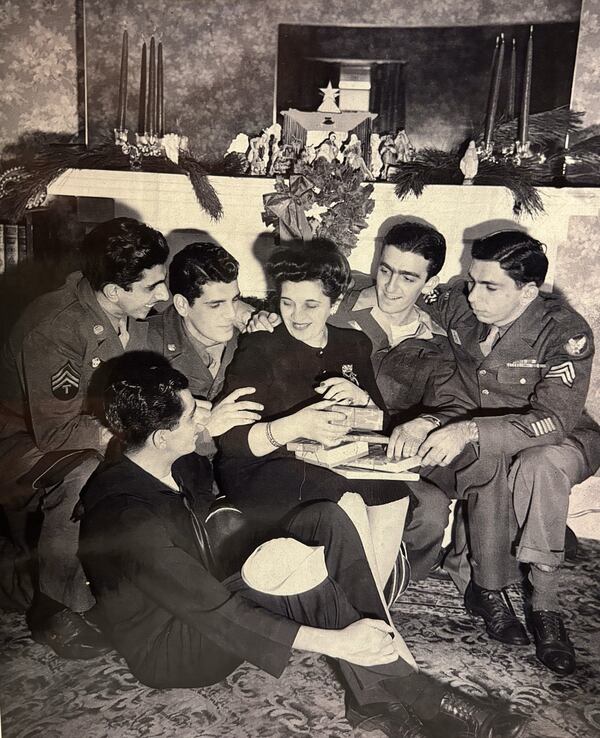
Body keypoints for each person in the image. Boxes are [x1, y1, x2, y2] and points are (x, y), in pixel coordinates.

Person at [77, 358, 526, 738]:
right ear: (160, 436)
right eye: (194, 413)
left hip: (204, 595)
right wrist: (336, 640)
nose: (207, 415)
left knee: (323, 516)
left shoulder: (162, 459)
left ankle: (373, 693)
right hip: (178, 647)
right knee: (294, 567)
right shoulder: (128, 519)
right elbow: (215, 611)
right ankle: (422, 694)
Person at [393, 230, 600, 676]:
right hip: (486, 439)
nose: (474, 296)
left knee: (536, 466)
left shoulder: (565, 332)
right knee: (489, 459)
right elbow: (391, 286)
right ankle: (488, 590)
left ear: (527, 291)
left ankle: (545, 607)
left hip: (558, 439)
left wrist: (468, 429)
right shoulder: (459, 305)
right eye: (471, 281)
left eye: (490, 287)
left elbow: (552, 421)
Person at [247, 221, 458, 583]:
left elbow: (448, 404)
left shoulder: (436, 340)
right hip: (301, 445)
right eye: (385, 269)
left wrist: (427, 422)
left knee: (433, 511)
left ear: (430, 284)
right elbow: (289, 301)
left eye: (408, 278)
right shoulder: (336, 303)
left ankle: (386, 585)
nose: (390, 287)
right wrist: (254, 316)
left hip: (380, 451)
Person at [0, 216, 170, 658]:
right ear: (114, 291)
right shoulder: (55, 326)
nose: (163, 294)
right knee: (88, 472)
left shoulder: (129, 309)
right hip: (22, 440)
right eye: (152, 286)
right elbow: (56, 430)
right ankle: (56, 608)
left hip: (85, 429)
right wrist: (135, 435)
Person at [216, 241, 411, 594]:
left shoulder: (353, 344)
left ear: (334, 304)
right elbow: (229, 441)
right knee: (346, 499)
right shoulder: (261, 344)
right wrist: (295, 425)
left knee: (392, 492)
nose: (297, 316)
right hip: (264, 468)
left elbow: (380, 424)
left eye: (311, 304)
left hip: (333, 461)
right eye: (287, 303)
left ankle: (368, 607)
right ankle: (367, 620)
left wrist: (361, 399)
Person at [147, 242, 262, 455]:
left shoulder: (250, 338)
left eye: (235, 300)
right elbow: (138, 444)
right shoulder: (146, 345)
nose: (230, 313)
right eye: (216, 304)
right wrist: (205, 431)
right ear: (182, 305)